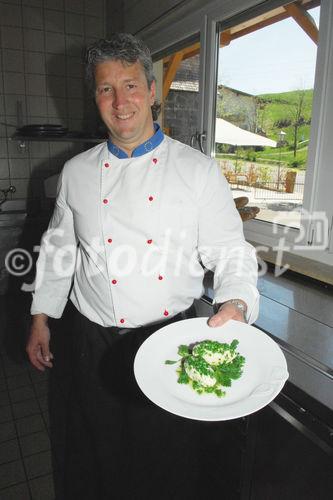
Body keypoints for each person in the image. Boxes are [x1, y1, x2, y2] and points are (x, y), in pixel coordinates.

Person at [26, 33, 259, 499]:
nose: (120, 101)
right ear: (95, 98)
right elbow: (59, 251)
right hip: (93, 343)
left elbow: (230, 249)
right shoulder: (75, 172)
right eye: (105, 89)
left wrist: (235, 300)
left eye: (130, 85)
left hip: (169, 341)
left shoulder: (197, 171)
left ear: (153, 91)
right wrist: (40, 319)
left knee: (166, 465)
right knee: (100, 461)